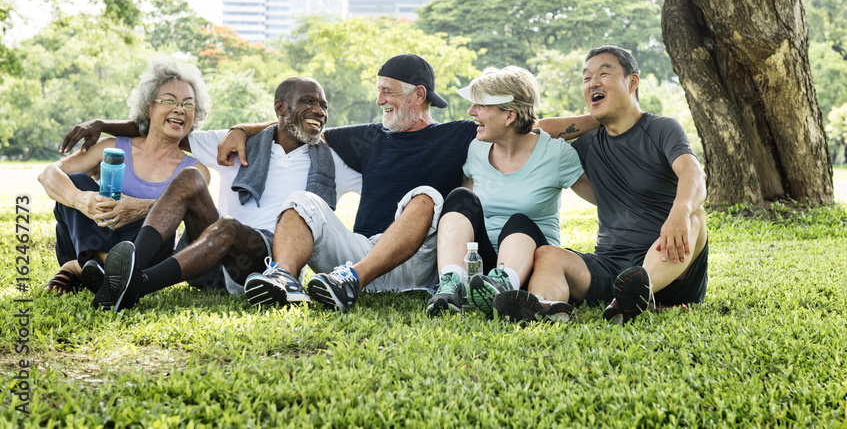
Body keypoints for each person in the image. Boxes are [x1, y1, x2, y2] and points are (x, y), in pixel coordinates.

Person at [226, 54, 594, 313]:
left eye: (387, 91)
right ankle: (284, 280)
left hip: (416, 259)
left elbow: (527, 126)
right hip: (359, 252)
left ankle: (353, 281)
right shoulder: (367, 136)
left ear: (418, 95)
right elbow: (306, 125)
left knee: (428, 194)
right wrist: (243, 129)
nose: (378, 100)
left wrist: (607, 116)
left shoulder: (463, 135)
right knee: (301, 200)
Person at [61, 77, 361, 312]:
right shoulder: (236, 144)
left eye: (323, 106)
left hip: (261, 264)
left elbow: (376, 176)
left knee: (228, 226)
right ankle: (131, 265)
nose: (319, 111)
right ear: (280, 107)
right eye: (308, 101)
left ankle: (135, 285)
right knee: (190, 177)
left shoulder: (333, 161)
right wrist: (102, 125)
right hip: (206, 258)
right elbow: (165, 129)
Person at [494, 46, 708, 325]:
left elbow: (693, 172)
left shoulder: (661, 129)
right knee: (548, 255)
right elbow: (531, 130)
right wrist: (593, 119)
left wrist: (679, 211)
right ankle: (546, 308)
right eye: (586, 78)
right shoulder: (588, 143)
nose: (593, 83)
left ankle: (639, 291)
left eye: (604, 73)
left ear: (632, 82)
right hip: (611, 268)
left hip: (670, 267)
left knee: (695, 216)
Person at [38, 57, 212, 295]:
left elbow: (186, 211)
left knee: (159, 223)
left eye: (188, 104)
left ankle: (83, 268)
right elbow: (48, 174)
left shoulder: (195, 171)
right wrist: (81, 200)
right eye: (170, 100)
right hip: (88, 238)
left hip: (141, 254)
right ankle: (100, 264)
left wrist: (140, 208)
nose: (180, 109)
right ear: (148, 107)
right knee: (77, 181)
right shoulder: (112, 147)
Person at [426, 66, 590, 317]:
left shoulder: (556, 154)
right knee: (460, 197)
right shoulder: (477, 150)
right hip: (484, 270)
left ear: (509, 116)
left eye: (480, 106)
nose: (471, 112)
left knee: (519, 220)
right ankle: (451, 285)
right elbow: (464, 215)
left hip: (531, 263)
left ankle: (505, 285)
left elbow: (603, 200)